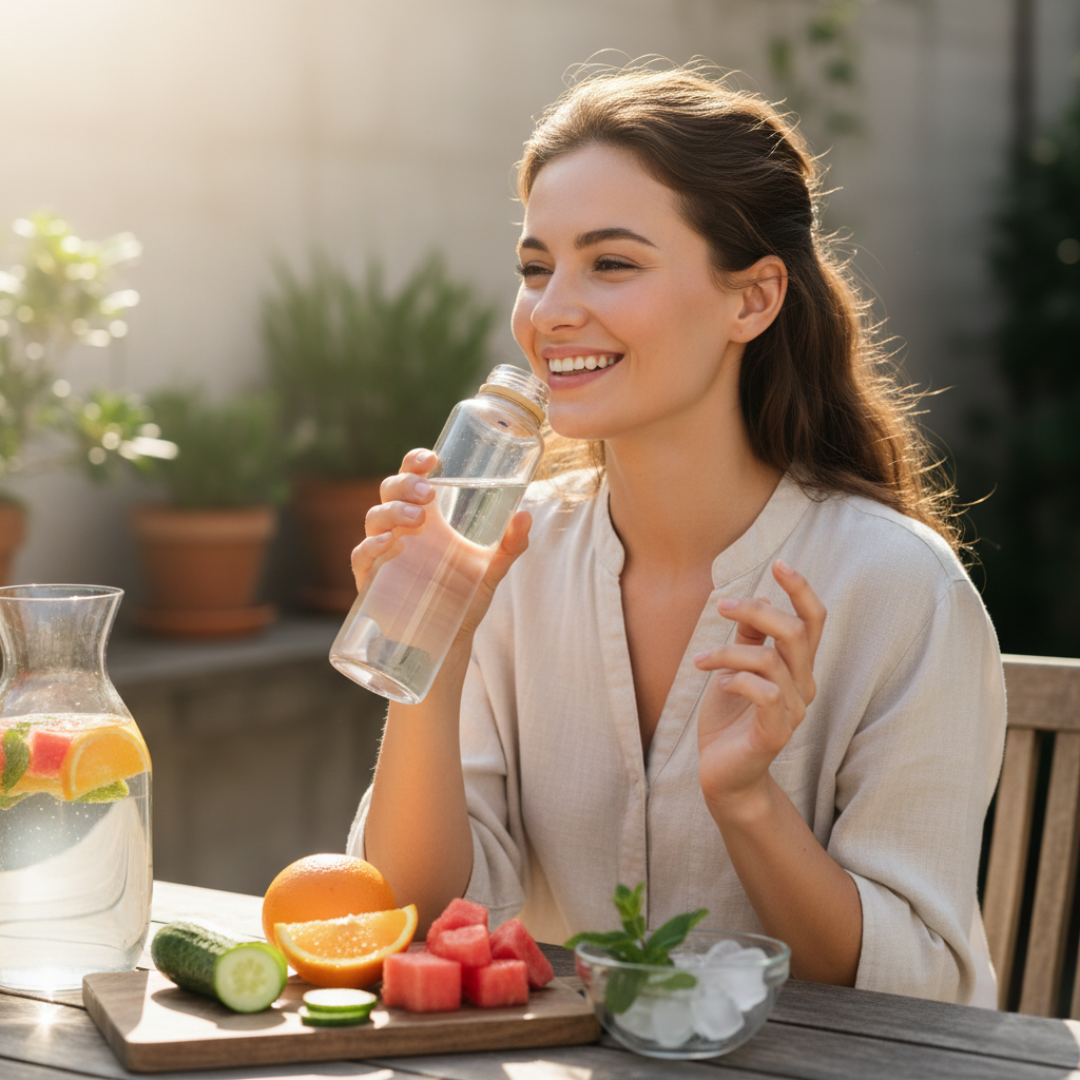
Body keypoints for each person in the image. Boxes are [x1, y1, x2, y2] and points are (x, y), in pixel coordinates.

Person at [346, 65, 1006, 1007]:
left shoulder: (900, 589)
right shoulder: (509, 556)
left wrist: (747, 801)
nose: (550, 311)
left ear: (753, 299)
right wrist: (430, 648)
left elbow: (917, 990)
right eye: (537, 267)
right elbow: (411, 918)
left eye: (610, 263)